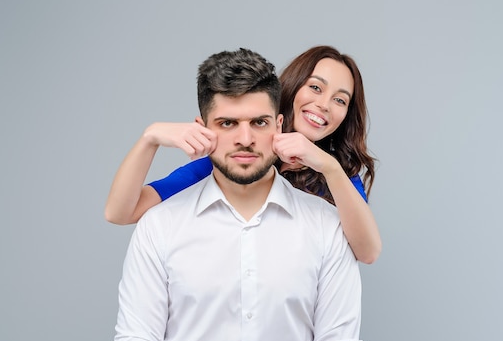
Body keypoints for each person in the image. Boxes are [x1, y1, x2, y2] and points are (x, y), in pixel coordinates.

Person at [113, 48, 364, 341]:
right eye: (227, 123)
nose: (244, 139)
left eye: (259, 123)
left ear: (279, 126)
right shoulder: (160, 226)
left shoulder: (329, 224)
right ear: (202, 130)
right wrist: (150, 136)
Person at [105, 46, 382, 264]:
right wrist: (149, 138)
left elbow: (368, 252)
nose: (323, 105)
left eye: (340, 100)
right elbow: (120, 212)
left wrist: (328, 167)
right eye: (316, 87)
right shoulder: (236, 158)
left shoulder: (339, 176)